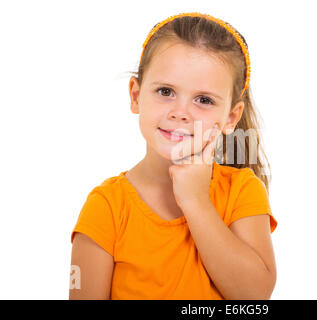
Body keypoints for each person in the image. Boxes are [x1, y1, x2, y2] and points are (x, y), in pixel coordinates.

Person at [69, 12, 278, 300]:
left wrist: (196, 202)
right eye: (165, 91)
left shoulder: (241, 190)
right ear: (135, 95)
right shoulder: (106, 206)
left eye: (203, 100)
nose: (180, 112)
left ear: (231, 118)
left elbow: (254, 297)